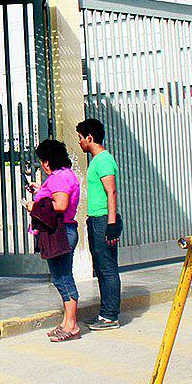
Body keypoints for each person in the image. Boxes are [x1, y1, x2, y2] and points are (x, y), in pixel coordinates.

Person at [26, 139, 81, 341]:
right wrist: (41, 190)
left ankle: (72, 324)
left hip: (60, 232)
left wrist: (34, 205)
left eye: (42, 161)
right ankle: (67, 322)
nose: (42, 165)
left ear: (47, 162)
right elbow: (56, 195)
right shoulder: (66, 175)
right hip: (64, 230)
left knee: (63, 278)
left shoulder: (58, 178)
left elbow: (60, 204)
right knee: (60, 277)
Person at [76, 119, 122, 329]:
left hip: (104, 219)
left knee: (108, 267)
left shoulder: (103, 160)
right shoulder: (96, 160)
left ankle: (111, 316)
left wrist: (111, 223)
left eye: (80, 138)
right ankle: (104, 313)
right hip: (97, 219)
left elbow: (110, 191)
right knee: (101, 268)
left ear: (89, 138)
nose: (79, 142)